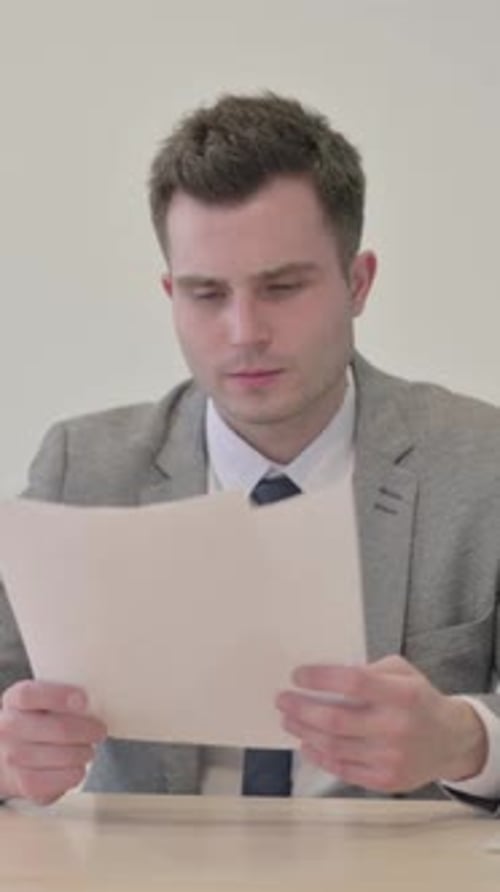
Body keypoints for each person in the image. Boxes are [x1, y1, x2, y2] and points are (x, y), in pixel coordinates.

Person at [0, 92, 499, 810]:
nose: (243, 332)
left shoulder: (483, 465)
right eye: (206, 294)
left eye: (283, 288)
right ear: (170, 292)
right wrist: (10, 757)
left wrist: (465, 739)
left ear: (358, 283)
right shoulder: (84, 465)